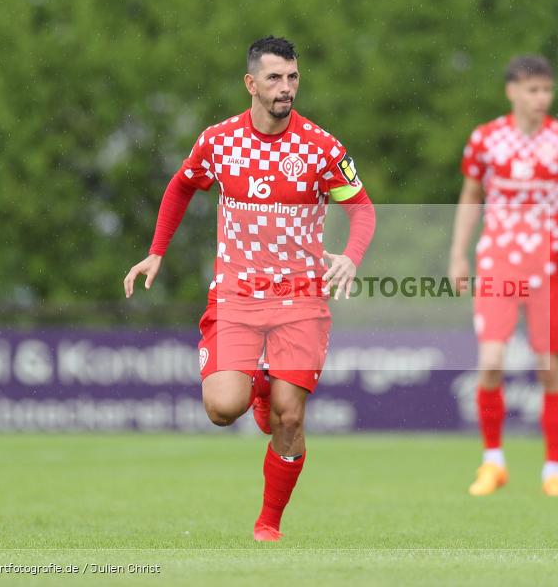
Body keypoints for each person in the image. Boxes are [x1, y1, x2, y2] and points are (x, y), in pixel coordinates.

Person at [123, 36, 376, 540]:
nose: (286, 88)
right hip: (236, 296)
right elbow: (180, 185)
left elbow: (362, 209)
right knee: (221, 408)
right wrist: (157, 250)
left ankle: (269, 524)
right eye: (275, 78)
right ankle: (258, 383)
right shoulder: (219, 141)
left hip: (301, 299)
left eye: (293, 77)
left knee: (289, 417)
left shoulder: (321, 148)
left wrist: (349, 257)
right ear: (251, 84)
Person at [448, 54, 558, 497]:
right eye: (533, 90)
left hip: (549, 269)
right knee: (491, 360)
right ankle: (493, 462)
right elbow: (470, 196)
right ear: (512, 91)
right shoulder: (485, 140)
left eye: (547, 90)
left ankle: (554, 468)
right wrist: (458, 255)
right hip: (497, 262)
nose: (541, 98)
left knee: (550, 369)